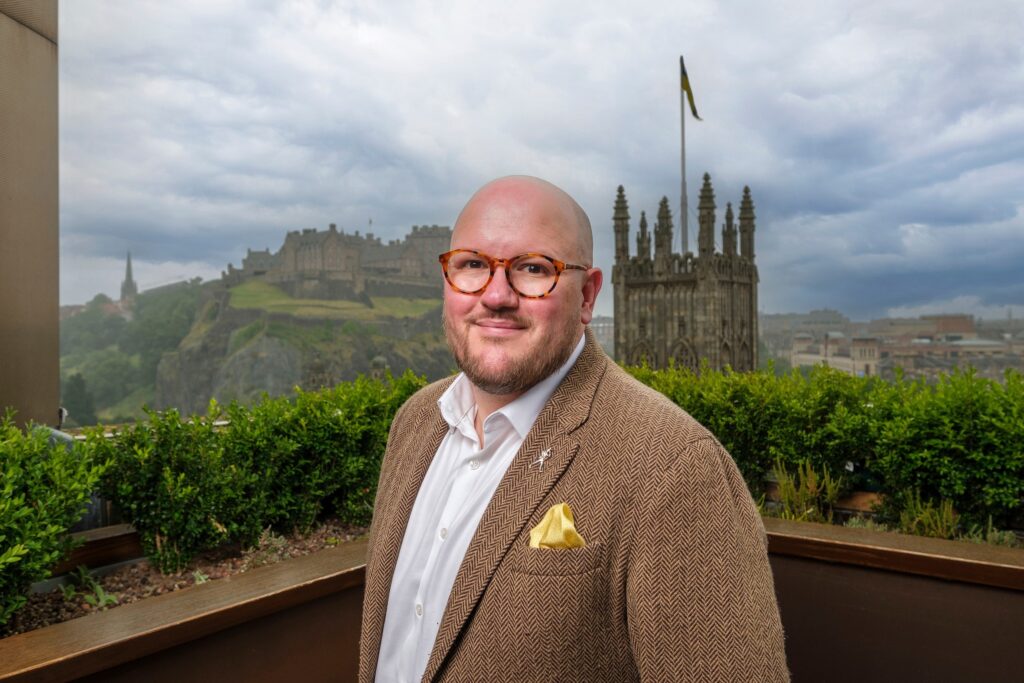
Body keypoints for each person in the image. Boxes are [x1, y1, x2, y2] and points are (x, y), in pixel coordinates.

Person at [359, 176, 788, 682]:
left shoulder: (677, 469)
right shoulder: (415, 422)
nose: (496, 294)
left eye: (534, 269)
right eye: (472, 265)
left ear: (587, 296)